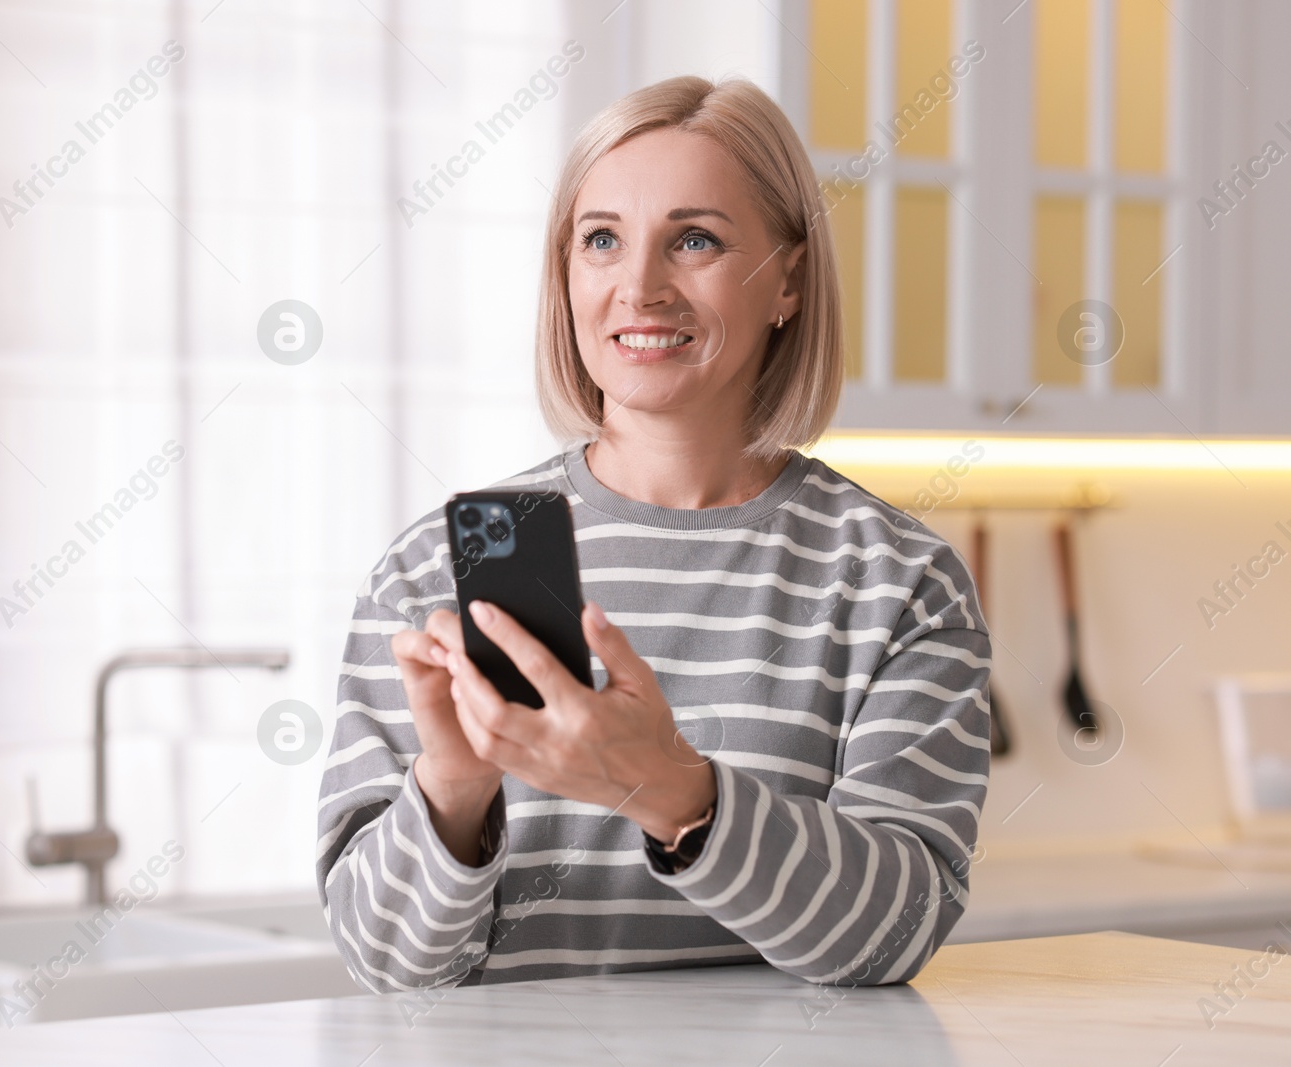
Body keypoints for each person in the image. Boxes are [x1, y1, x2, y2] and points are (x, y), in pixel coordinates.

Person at [316, 75, 991, 991]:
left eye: (695, 240)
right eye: (601, 241)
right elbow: (382, 961)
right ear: (565, 274)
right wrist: (455, 788)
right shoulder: (436, 570)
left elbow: (894, 934)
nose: (639, 287)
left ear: (787, 279)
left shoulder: (898, 583)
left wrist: (674, 790)